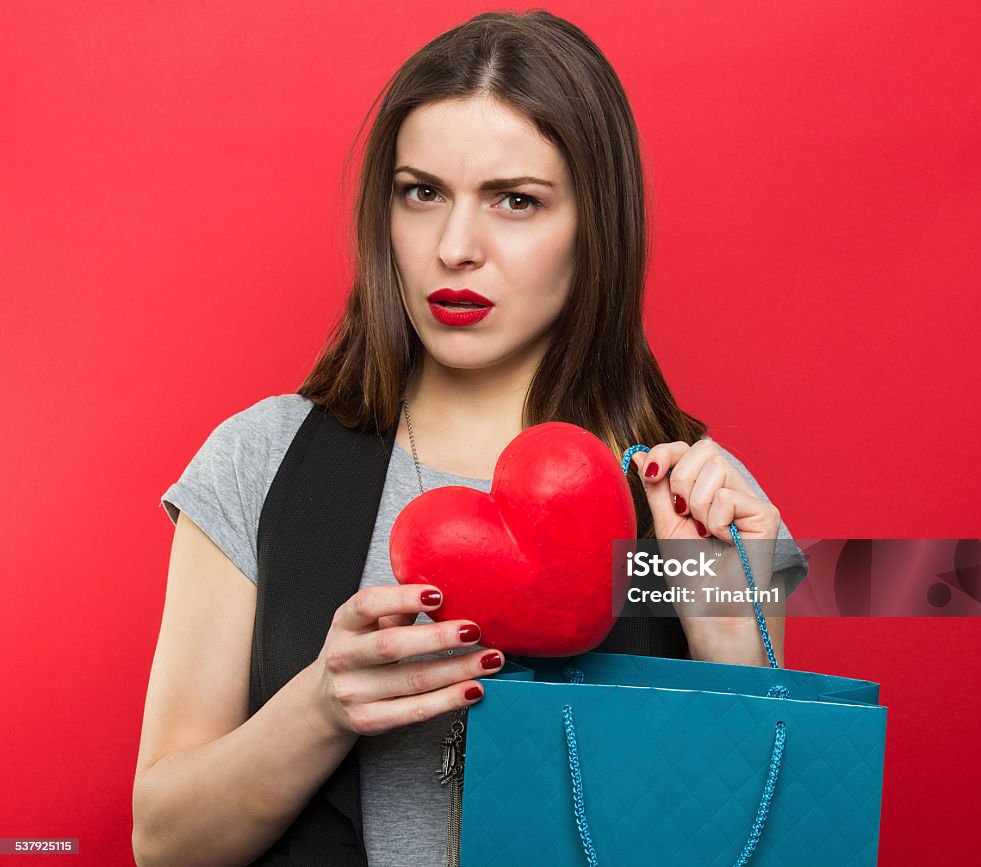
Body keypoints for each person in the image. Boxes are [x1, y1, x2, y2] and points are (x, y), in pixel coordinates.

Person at [132, 9, 808, 866]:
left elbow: (752, 835)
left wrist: (724, 641)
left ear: (596, 226)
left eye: (515, 201)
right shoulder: (259, 461)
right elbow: (162, 840)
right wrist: (323, 705)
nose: (455, 247)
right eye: (422, 192)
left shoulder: (690, 504)